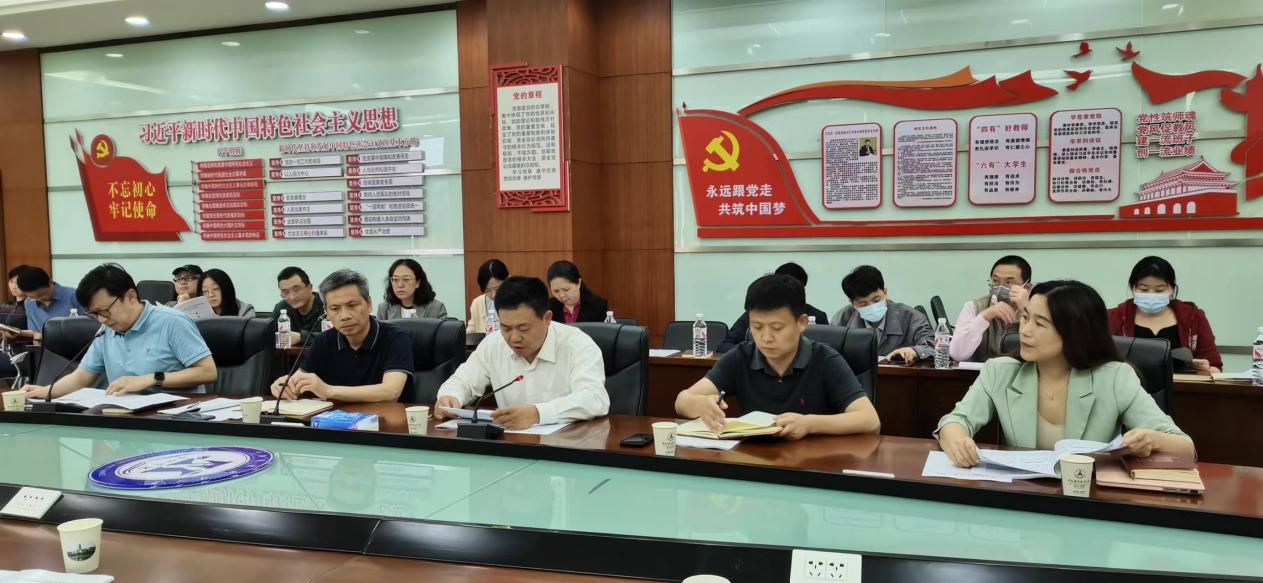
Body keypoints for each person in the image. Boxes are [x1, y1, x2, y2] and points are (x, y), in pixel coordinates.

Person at [936, 280, 1195, 467]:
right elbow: (955, 421)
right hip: (1023, 497)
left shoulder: (1115, 378)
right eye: (1025, 318)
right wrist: (957, 440)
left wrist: (1151, 439)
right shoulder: (1000, 371)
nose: (1025, 330)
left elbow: (1185, 448)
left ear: (1075, 332)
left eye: (1040, 324)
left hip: (1088, 498)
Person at [676, 274, 880, 439]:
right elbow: (682, 401)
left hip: (813, 462)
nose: (765, 338)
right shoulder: (741, 357)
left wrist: (809, 424)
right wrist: (700, 405)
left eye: (777, 328)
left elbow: (870, 420)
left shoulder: (825, 360)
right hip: (755, 462)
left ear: (801, 323)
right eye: (757, 327)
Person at [435, 276, 609, 430]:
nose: (514, 338)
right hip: (511, 444)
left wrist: (538, 413)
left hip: (567, 445)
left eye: (523, 328)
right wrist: (450, 396)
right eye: (506, 328)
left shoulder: (578, 345)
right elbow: (462, 380)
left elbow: (594, 399)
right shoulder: (493, 344)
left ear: (547, 318)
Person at [22, 263, 217, 398]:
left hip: (175, 418)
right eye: (94, 314)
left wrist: (152, 379)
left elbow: (207, 372)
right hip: (126, 417)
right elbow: (81, 377)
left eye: (104, 311)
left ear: (130, 296)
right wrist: (44, 391)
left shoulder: (171, 322)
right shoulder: (106, 329)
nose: (101, 319)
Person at [270, 269, 413, 403]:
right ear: (326, 311)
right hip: (336, 419)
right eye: (335, 308)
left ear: (369, 304)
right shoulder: (323, 341)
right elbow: (298, 379)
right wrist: (284, 386)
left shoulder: (395, 337)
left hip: (386, 418)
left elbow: (391, 392)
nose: (344, 316)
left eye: (352, 305)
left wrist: (328, 391)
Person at [1108, 256, 1221, 375]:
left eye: (1159, 290)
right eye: (1144, 289)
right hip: (1129, 385)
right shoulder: (1114, 318)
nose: (1151, 295)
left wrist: (1206, 370)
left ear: (1172, 289)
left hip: (1182, 385)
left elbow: (1215, 367)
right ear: (1133, 288)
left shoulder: (1193, 317)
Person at [718, 262, 829, 353]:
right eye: (758, 327)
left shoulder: (818, 316)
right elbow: (725, 346)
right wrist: (755, 353)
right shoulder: (757, 313)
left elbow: (828, 349)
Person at [830, 265, 933, 364]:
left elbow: (934, 346)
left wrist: (915, 351)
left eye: (876, 300)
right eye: (863, 304)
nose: (871, 307)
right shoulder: (841, 320)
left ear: (885, 293)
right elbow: (829, 354)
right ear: (852, 303)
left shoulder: (911, 317)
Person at [949, 255, 1033, 363]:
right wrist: (984, 317)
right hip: (981, 372)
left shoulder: (1038, 309)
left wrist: (1027, 310)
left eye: (1009, 282)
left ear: (1027, 287)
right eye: (996, 281)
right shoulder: (974, 307)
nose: (1000, 287)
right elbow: (957, 354)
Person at [9, 266, 85, 342]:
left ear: (50, 282)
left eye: (42, 295)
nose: (39, 299)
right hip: (45, 348)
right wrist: (20, 332)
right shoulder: (29, 302)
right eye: (33, 297)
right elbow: (35, 332)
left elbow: (88, 327)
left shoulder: (75, 295)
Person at [377, 258, 447, 320]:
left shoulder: (436, 308)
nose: (400, 285)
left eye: (406, 279)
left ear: (418, 282)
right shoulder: (384, 308)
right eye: (395, 280)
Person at [271, 266, 325, 344]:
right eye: (285, 292)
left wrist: (301, 337)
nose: (292, 297)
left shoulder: (327, 305)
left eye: (296, 289)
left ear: (310, 287)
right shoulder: (282, 308)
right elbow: (266, 334)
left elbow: (336, 336)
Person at [468, 258, 509, 333]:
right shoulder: (477, 304)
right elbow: (471, 333)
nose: (493, 295)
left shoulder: (519, 301)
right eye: (487, 290)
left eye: (497, 289)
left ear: (507, 280)